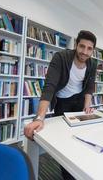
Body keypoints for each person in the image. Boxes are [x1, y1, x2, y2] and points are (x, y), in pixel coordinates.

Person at [24, 30, 97, 179]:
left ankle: (81, 166)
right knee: (65, 140)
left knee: (81, 136)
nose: (85, 52)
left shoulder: (93, 63)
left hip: (80, 99)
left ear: (93, 50)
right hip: (62, 101)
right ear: (76, 45)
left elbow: (90, 85)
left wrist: (87, 104)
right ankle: (68, 175)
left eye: (89, 49)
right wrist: (39, 118)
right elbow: (49, 87)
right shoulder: (61, 58)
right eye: (82, 46)